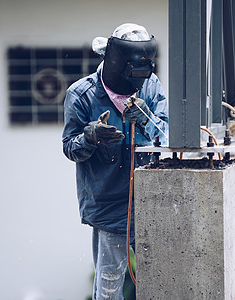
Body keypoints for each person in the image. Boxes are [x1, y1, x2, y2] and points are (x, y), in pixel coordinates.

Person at [62, 23, 168, 299]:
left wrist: (147, 120)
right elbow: (70, 148)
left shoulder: (151, 86)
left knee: (162, 281)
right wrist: (90, 137)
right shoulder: (81, 94)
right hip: (109, 207)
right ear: (115, 62)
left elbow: (167, 137)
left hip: (150, 202)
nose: (138, 81)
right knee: (109, 288)